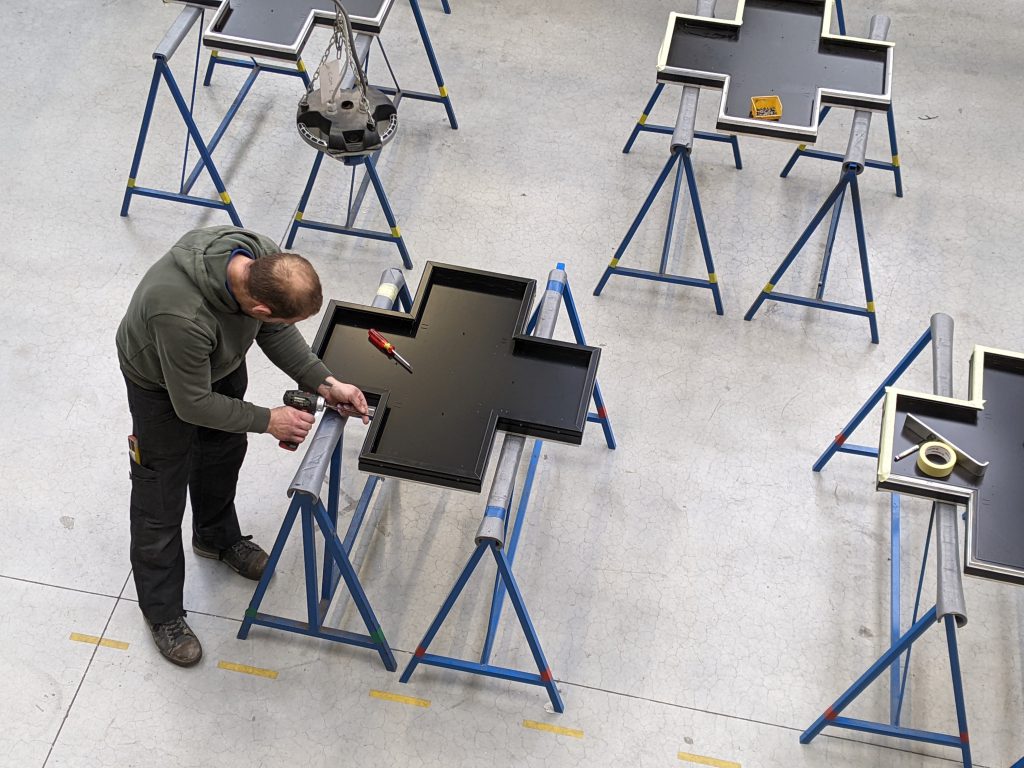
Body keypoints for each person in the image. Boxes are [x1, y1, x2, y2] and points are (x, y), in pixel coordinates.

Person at [116, 225, 368, 667]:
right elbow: (191, 403)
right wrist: (268, 419)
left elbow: (275, 331)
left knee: (223, 453)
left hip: (215, 360)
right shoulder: (180, 314)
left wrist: (325, 382)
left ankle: (216, 538)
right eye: (272, 315)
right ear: (259, 306)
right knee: (159, 496)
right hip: (159, 382)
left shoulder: (259, 260)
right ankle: (163, 614)